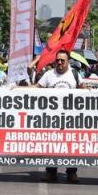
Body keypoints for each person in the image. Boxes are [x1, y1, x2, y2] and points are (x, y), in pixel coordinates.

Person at [35, 50, 86, 183]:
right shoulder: (48, 74)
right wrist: (17, 89)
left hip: (71, 118)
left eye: (62, 60)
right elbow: (35, 88)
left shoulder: (74, 74)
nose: (59, 62)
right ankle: (51, 171)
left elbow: (85, 90)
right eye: (57, 60)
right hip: (52, 118)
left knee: (71, 145)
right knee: (52, 144)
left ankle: (72, 172)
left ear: (68, 61)